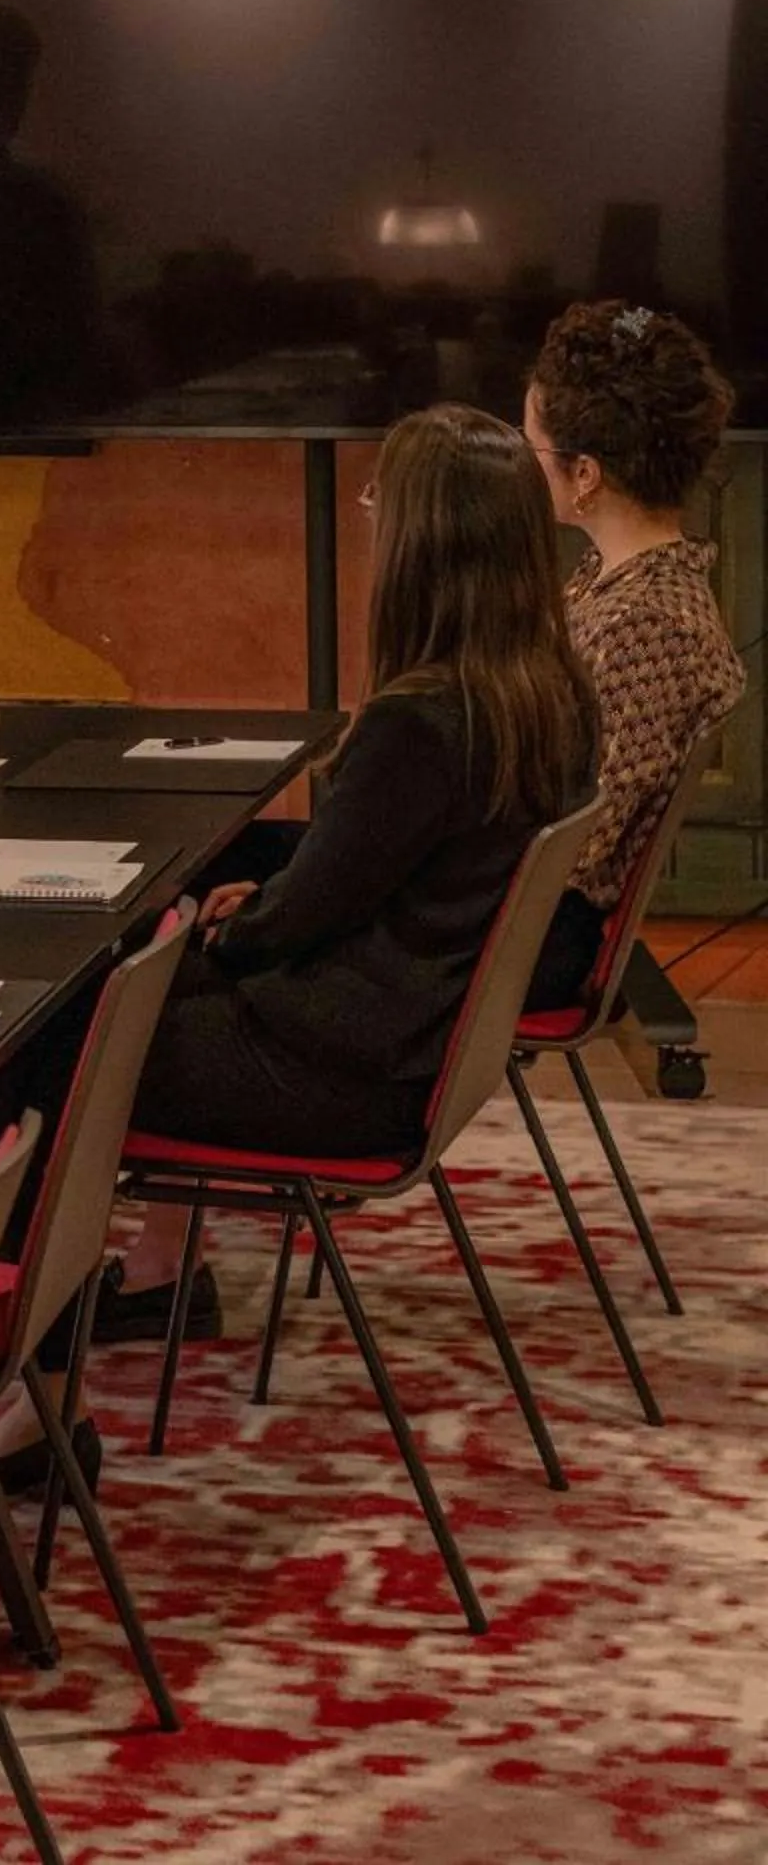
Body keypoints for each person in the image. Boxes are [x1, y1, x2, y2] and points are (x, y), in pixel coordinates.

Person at [106, 405, 598, 1335]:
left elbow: (295, 923)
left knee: (43, 1051)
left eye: (381, 500)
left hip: (346, 1072)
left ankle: (20, 1337)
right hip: (418, 1046)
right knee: (145, 975)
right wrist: (253, 917)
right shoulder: (550, 691)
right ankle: (154, 1275)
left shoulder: (420, 719)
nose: (369, 516)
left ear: (425, 543)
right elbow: (351, 884)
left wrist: (225, 930)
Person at [522, 301, 746, 1009]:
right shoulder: (613, 579)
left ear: (584, 473)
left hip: (529, 936)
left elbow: (575, 847)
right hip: (517, 903)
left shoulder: (647, 623)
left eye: (532, 445)